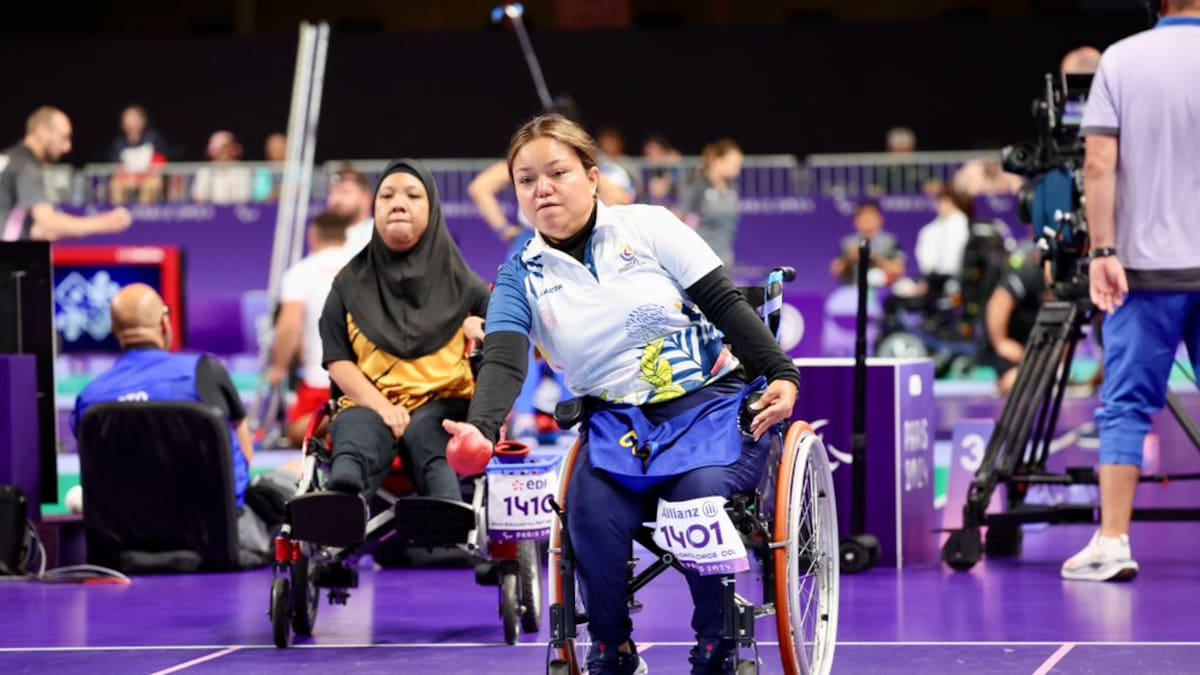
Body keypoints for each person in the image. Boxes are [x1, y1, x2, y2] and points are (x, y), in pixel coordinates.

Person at [443, 115, 799, 674]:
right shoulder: (520, 274)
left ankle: (715, 645)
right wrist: (481, 427)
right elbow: (506, 355)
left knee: (699, 499)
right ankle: (612, 647)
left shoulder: (651, 226)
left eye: (557, 172)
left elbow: (725, 303)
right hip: (617, 427)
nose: (543, 188)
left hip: (708, 405)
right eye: (527, 179)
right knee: (589, 513)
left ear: (592, 176)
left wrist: (782, 372)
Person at [1063, 1, 1200, 582]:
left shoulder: (1120, 59)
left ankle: (1114, 541)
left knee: (1125, 407)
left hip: (1143, 270)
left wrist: (1101, 250)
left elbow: (1098, 163)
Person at [319, 159, 490, 501]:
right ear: (375, 208)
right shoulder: (346, 286)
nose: (398, 203)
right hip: (369, 402)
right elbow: (337, 358)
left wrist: (486, 335)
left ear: (433, 209)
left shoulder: (469, 289)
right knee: (356, 434)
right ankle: (341, 507)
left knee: (432, 435)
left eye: (413, 195)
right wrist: (383, 407)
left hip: (445, 405)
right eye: (386, 196)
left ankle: (447, 520)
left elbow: (505, 353)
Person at [69, 284, 265, 564]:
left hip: (125, 548)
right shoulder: (205, 371)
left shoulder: (89, 397)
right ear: (164, 323)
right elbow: (242, 458)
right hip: (213, 541)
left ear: (114, 331)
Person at [270, 211, 353, 446]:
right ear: (346, 238)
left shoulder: (300, 272)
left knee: (298, 432)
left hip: (320, 380)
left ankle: (342, 422)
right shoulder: (363, 265)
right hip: (364, 379)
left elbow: (289, 326)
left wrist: (278, 368)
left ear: (313, 238)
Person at [1, 107, 132, 242]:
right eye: (63, 138)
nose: (67, 147)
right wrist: (104, 223)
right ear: (42, 132)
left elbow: (37, 230)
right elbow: (48, 221)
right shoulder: (26, 167)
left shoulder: (7, 158)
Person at [981, 247, 1050, 395]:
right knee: (1015, 382)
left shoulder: (1062, 283)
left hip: (1031, 346)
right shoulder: (1031, 275)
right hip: (1009, 346)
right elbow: (999, 300)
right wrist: (1001, 342)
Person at [680, 138, 744, 270]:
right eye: (734, 165)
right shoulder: (696, 186)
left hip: (725, 261)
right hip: (700, 261)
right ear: (717, 161)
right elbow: (686, 223)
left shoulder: (732, 188)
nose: (738, 171)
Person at [829, 201, 907, 287]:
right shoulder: (847, 243)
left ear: (880, 219)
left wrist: (873, 257)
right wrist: (849, 258)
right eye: (861, 216)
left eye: (870, 216)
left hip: (883, 291)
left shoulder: (890, 241)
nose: (866, 220)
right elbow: (836, 271)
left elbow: (899, 270)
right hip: (853, 289)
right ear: (855, 221)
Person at [108, 104, 168, 205]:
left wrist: (142, 177)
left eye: (134, 118)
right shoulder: (119, 143)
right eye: (127, 119)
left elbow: (160, 162)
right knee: (115, 185)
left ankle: (143, 217)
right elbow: (117, 167)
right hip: (128, 178)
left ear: (143, 120)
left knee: (151, 185)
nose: (130, 122)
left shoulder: (153, 138)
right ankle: (119, 214)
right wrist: (130, 178)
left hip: (149, 178)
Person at [326, 164, 374, 254]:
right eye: (332, 192)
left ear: (367, 198)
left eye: (345, 192)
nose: (336, 199)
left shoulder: (377, 235)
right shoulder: (324, 235)